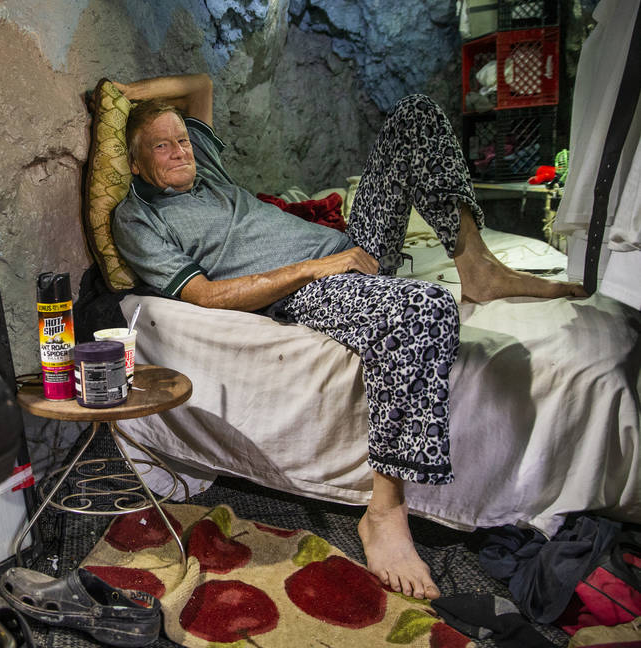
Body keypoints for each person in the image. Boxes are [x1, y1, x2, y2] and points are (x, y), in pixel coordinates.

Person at [109, 73, 586, 600]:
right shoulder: (139, 216)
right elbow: (204, 296)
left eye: (183, 140)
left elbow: (199, 84)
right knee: (422, 309)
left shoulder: (207, 170)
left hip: (353, 249)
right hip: (310, 284)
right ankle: (384, 511)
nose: (181, 151)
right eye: (162, 146)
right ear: (134, 163)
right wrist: (314, 270)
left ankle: (478, 267)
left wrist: (123, 98)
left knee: (416, 115)